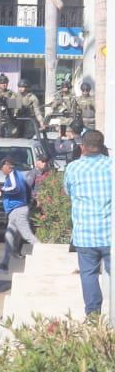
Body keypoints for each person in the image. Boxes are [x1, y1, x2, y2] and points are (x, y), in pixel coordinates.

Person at [65, 129, 113, 319]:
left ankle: (93, 316)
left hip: (85, 233)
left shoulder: (73, 168)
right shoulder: (112, 166)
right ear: (102, 147)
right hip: (110, 233)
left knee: (89, 275)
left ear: (82, 147)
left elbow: (68, 192)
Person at [0, 157, 36, 270]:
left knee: (27, 235)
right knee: (9, 236)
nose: (1, 170)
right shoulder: (18, 175)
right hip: (17, 210)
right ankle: (5, 263)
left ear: (8, 166)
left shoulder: (13, 175)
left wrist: (1, 189)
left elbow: (16, 189)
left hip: (18, 210)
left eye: (2, 167)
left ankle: (45, 254)